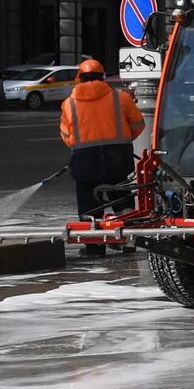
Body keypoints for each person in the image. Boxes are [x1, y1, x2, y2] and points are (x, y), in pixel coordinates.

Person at [58, 59, 145, 256]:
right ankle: (128, 241)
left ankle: (94, 247)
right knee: (122, 199)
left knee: (89, 203)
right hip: (117, 156)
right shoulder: (120, 98)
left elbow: (66, 135)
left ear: (79, 78)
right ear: (102, 76)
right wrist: (122, 140)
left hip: (84, 159)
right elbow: (139, 125)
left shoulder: (69, 104)